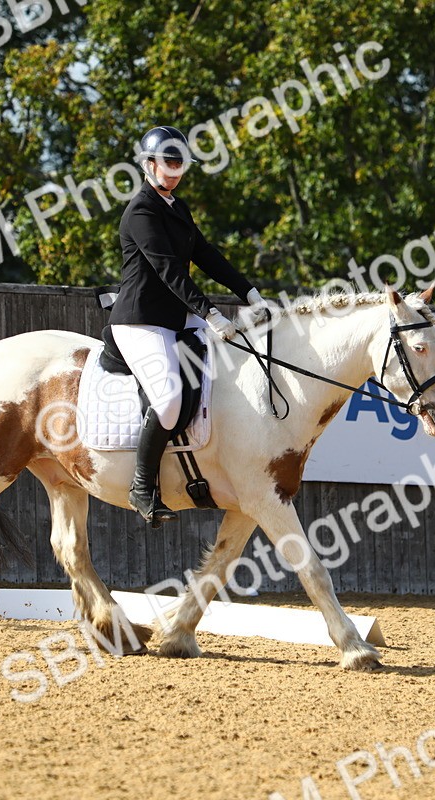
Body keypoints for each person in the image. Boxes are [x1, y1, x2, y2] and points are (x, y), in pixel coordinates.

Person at [111, 125, 270, 525]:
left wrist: (248, 291)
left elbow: (206, 255)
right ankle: (142, 486)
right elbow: (168, 271)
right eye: (169, 163)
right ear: (149, 165)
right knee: (167, 400)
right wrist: (212, 313)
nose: (177, 170)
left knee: (229, 378)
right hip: (142, 322)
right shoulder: (141, 211)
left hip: (180, 317)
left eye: (181, 163)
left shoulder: (176, 208)